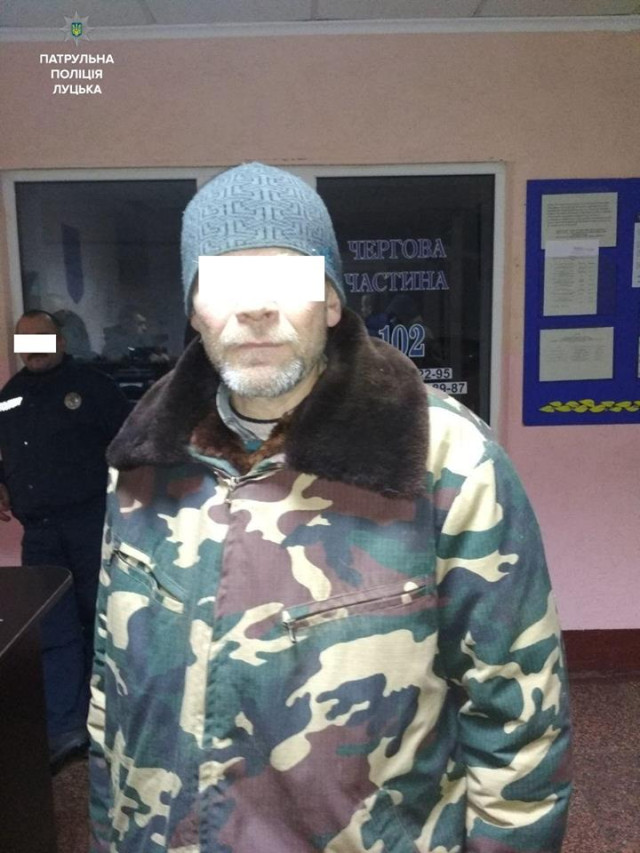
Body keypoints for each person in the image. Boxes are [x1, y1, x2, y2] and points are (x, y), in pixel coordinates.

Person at [89, 163, 572, 852]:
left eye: (287, 278)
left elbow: (519, 721)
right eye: (224, 281)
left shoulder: (444, 459)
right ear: (195, 308)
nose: (256, 307)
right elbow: (112, 692)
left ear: (333, 301)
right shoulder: (143, 461)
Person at [0, 309, 130, 768]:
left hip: (89, 523)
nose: (33, 349)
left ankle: (111, 723)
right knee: (51, 629)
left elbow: (130, 446)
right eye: (25, 341)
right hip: (39, 532)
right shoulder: (9, 396)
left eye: (42, 338)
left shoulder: (94, 387)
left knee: (101, 622)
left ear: (60, 340)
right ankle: (65, 728)